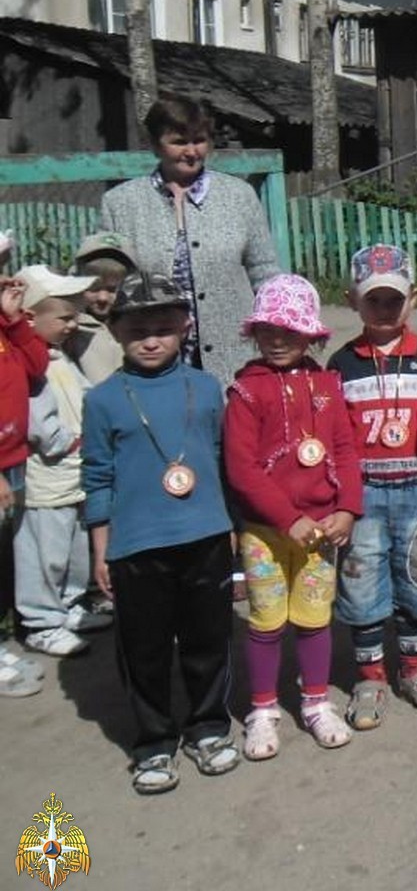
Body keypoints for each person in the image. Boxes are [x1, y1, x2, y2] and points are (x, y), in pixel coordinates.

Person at [82, 271, 239, 793]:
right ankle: (152, 742)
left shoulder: (205, 387)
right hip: (136, 545)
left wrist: (231, 527)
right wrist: (100, 549)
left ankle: (209, 727)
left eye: (163, 327)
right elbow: (98, 476)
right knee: (144, 650)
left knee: (207, 641)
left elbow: (219, 460)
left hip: (206, 537)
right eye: (136, 329)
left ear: (184, 327)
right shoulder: (103, 399)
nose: (150, 339)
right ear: (116, 333)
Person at [224, 274, 362, 758]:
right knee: (265, 621)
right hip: (266, 532)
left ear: (311, 334)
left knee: (313, 617)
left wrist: (347, 508)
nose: (278, 339)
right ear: (255, 333)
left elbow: (345, 449)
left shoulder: (327, 384)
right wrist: (287, 517)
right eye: (268, 330)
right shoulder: (246, 391)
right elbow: (241, 470)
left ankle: (315, 702)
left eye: (290, 330)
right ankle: (262, 710)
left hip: (322, 530)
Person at [330, 244, 417, 730]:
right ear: (351, 300)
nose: (383, 310)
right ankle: (370, 677)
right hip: (363, 494)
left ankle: (414, 670)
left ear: (414, 299)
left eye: (393, 300)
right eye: (372, 300)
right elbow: (334, 437)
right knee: (361, 585)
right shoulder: (340, 364)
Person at [100, 94, 280, 382]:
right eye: (179, 142)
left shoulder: (238, 196)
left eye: (199, 140)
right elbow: (110, 284)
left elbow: (265, 273)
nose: (192, 151)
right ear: (156, 144)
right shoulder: (120, 203)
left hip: (233, 354)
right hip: (153, 354)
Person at [16, 266, 107, 659]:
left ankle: (69, 605)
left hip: (72, 472)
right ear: (30, 318)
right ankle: (41, 621)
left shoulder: (56, 356)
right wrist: (66, 441)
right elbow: (37, 420)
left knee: (73, 547)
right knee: (44, 551)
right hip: (46, 477)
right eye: (65, 317)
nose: (73, 324)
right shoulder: (30, 364)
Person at [0, 263, 49, 698]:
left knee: (5, 554)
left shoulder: (6, 327)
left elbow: (37, 365)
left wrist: (15, 321)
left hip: (13, 457)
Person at [67, 232, 138, 385]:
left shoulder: (142, 326)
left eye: (113, 289)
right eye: (93, 288)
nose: (103, 298)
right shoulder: (71, 328)